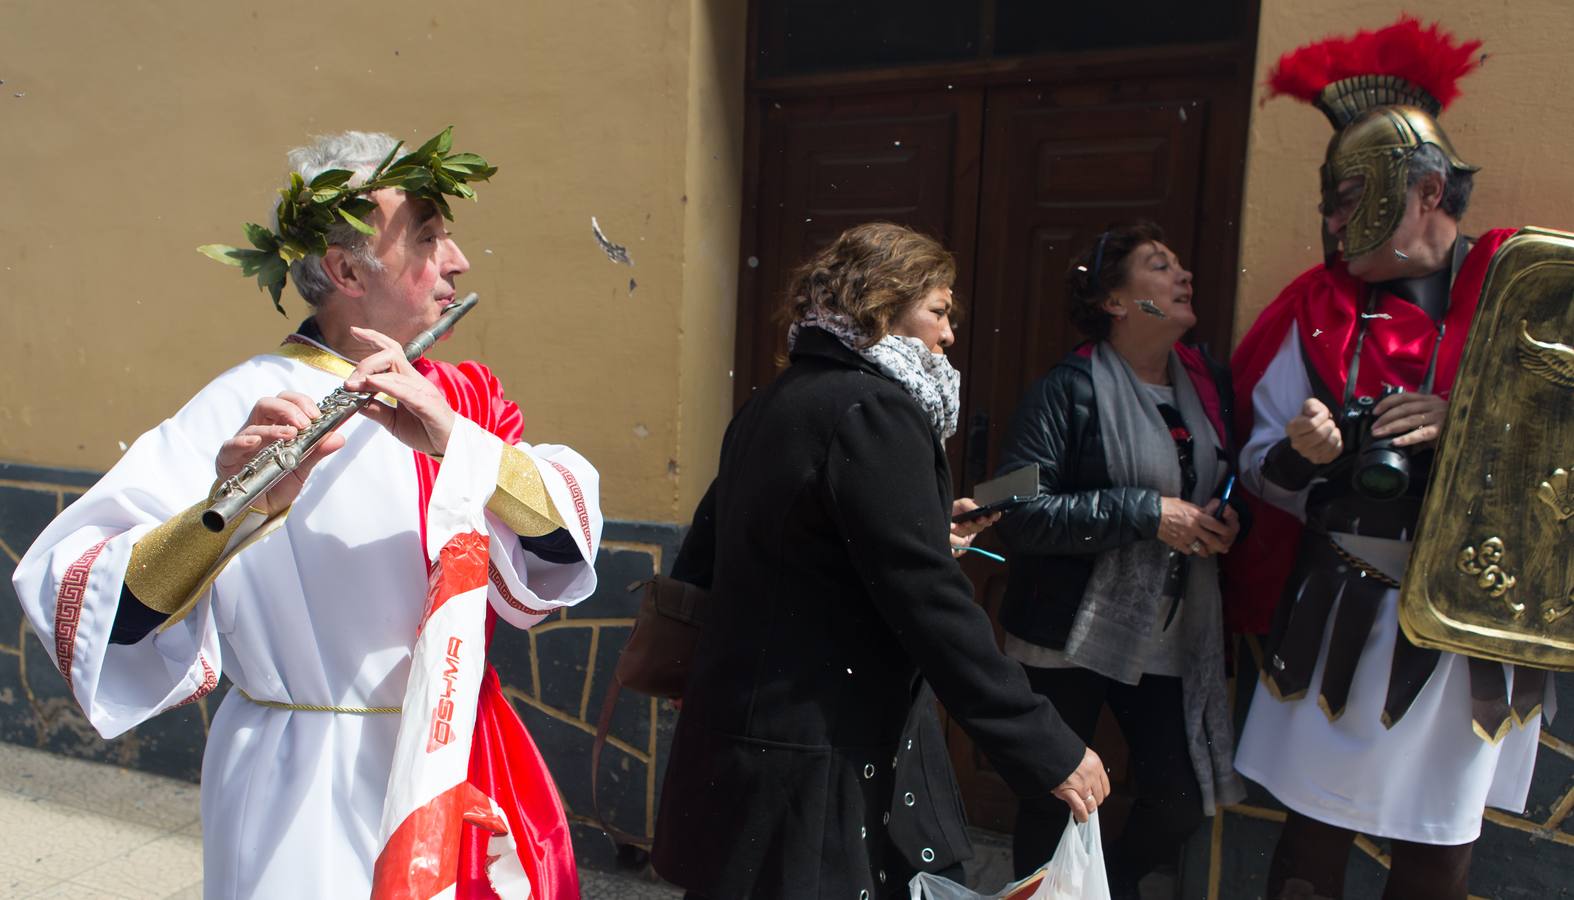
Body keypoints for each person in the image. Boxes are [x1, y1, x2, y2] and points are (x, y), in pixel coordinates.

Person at [12, 130, 603, 899]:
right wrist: (231, 511)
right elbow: (92, 605)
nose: (456, 261)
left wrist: (459, 442)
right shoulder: (243, 401)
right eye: (427, 238)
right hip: (302, 787)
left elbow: (561, 542)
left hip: (457, 760)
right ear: (346, 269)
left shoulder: (458, 399)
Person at [650, 222, 1110, 899]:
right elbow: (927, 601)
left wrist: (922, 531)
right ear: (882, 300)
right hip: (821, 761)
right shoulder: (874, 410)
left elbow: (740, 550)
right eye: (940, 310)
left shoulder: (775, 401)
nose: (949, 335)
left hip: (750, 754)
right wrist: (1044, 742)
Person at [1227, 19, 1544, 900]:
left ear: (1430, 190)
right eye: (1331, 200)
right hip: (1344, 605)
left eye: (1350, 197)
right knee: (1310, 841)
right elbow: (1259, 463)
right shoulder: (1317, 308)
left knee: (1438, 846)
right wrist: (1307, 457)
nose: (1331, 223)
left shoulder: (1529, 293)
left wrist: (1467, 420)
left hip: (1471, 617)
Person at [993, 222, 1247, 898]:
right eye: (1160, 267)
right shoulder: (1066, 390)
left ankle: (1115, 887)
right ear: (1115, 302)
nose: (1183, 277)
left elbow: (1223, 480)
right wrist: (1146, 513)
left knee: (1178, 802)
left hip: (1168, 633)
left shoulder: (1207, 385)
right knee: (1056, 801)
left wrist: (1223, 519)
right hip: (1065, 632)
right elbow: (1017, 508)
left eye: (1179, 264)